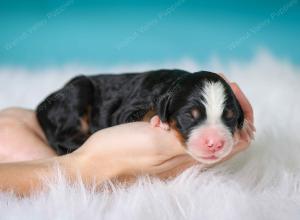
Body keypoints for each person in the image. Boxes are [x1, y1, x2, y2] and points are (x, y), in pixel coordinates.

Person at [0, 78, 255, 196]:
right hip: (63, 107)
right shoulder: (162, 100)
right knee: (78, 93)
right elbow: (133, 111)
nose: (215, 138)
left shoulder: (177, 94)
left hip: (18, 123)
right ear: (164, 109)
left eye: (228, 118)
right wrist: (90, 165)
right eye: (192, 116)